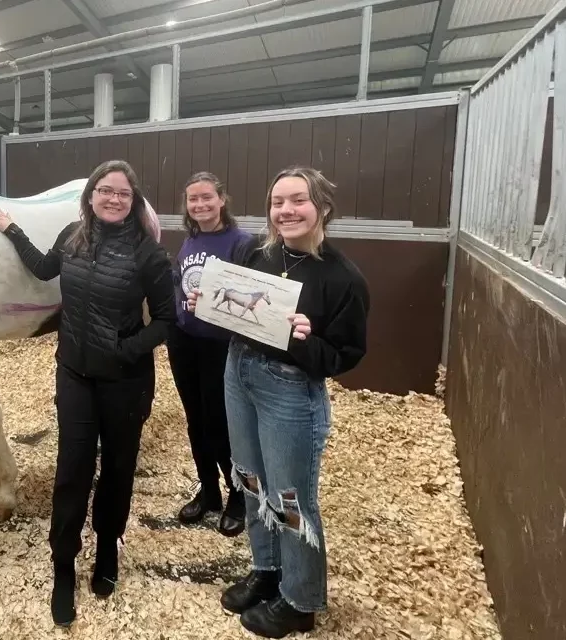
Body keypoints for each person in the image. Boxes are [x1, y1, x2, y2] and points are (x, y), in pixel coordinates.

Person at [0, 159, 176, 628]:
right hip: (73, 375)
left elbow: (169, 320)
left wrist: (125, 349)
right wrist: (12, 230)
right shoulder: (72, 236)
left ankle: (108, 550)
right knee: (71, 471)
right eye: (106, 191)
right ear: (90, 195)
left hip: (125, 380)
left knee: (116, 470)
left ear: (134, 202)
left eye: (124, 194)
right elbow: (43, 267)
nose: (114, 199)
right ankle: (63, 567)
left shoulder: (148, 253)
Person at [186, 166, 369, 638]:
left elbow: (344, 355)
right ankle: (267, 571)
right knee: (248, 480)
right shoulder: (260, 257)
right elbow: (239, 317)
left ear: (322, 206)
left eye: (297, 200)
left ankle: (300, 598)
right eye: (277, 202)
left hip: (289, 391)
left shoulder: (343, 278)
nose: (285, 211)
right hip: (239, 373)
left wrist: (306, 342)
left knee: (290, 497)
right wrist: (204, 303)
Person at [167, 171, 251, 536]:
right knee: (195, 420)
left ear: (222, 199)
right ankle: (209, 490)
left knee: (220, 423)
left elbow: (248, 298)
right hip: (186, 339)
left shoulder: (241, 243)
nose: (199, 205)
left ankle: (239, 495)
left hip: (220, 345)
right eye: (192, 199)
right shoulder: (192, 239)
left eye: (206, 198)